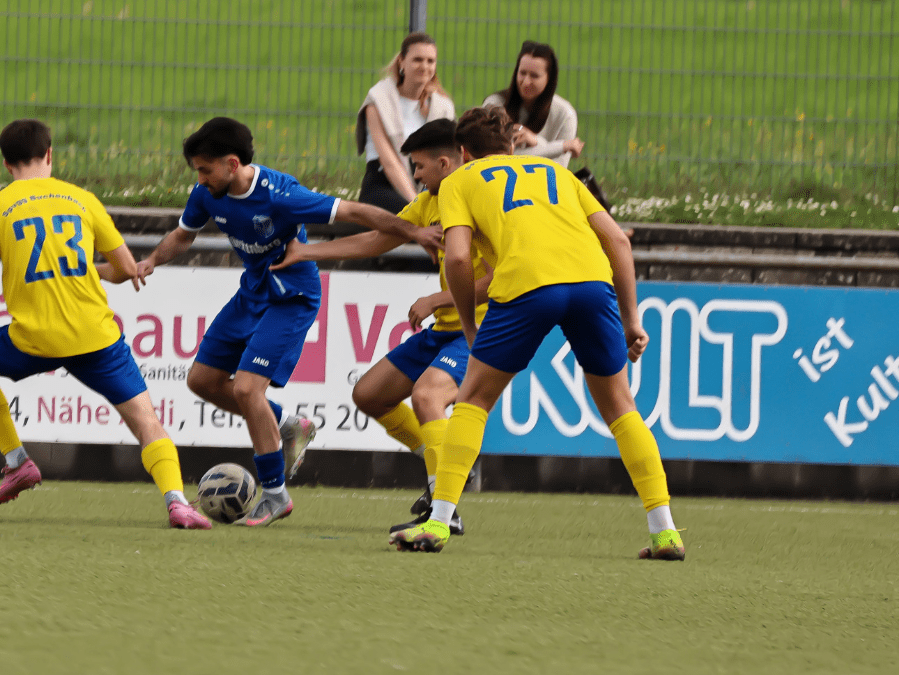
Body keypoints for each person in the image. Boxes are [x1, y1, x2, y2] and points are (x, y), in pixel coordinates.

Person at [390, 106, 683, 560]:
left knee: (472, 401)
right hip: (591, 283)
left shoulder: (461, 182)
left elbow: (460, 259)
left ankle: (438, 523)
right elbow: (619, 242)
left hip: (527, 285)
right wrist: (632, 320)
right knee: (621, 407)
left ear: (463, 152)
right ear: (511, 145)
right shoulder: (557, 173)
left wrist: (469, 325)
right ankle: (664, 531)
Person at [129, 116, 442, 527]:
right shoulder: (207, 193)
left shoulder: (281, 195)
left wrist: (414, 232)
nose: (200, 179)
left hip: (291, 297)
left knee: (246, 389)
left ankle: (275, 495)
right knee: (201, 380)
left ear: (232, 163)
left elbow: (353, 209)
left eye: (205, 170)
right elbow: (184, 235)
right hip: (252, 293)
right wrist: (151, 259)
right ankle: (288, 424)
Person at [0, 119, 211, 530]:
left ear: (5, 163)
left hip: (33, 339)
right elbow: (124, 269)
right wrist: (93, 271)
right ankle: (177, 502)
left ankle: (16, 461)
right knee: (145, 420)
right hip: (95, 336)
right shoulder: (81, 200)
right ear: (50, 155)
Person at [270, 119, 491, 535]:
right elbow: (376, 240)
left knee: (427, 396)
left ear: (445, 162)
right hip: (445, 330)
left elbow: (500, 276)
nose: (415, 175)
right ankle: (444, 464)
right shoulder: (430, 202)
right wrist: (306, 253)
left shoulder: (479, 200)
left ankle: (445, 505)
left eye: (419, 166)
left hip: (482, 330)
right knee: (369, 394)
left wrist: (436, 299)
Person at [355, 32, 455, 214]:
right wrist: (416, 204)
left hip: (425, 185)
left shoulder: (442, 106)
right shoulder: (378, 99)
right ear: (402, 62)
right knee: (412, 218)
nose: (424, 66)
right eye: (417, 60)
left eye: (430, 61)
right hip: (382, 184)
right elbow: (389, 162)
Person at [482, 41, 584, 169]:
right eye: (522, 73)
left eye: (534, 76)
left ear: (549, 78)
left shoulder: (565, 114)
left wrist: (535, 141)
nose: (526, 82)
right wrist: (561, 147)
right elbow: (492, 160)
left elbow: (558, 170)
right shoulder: (494, 105)